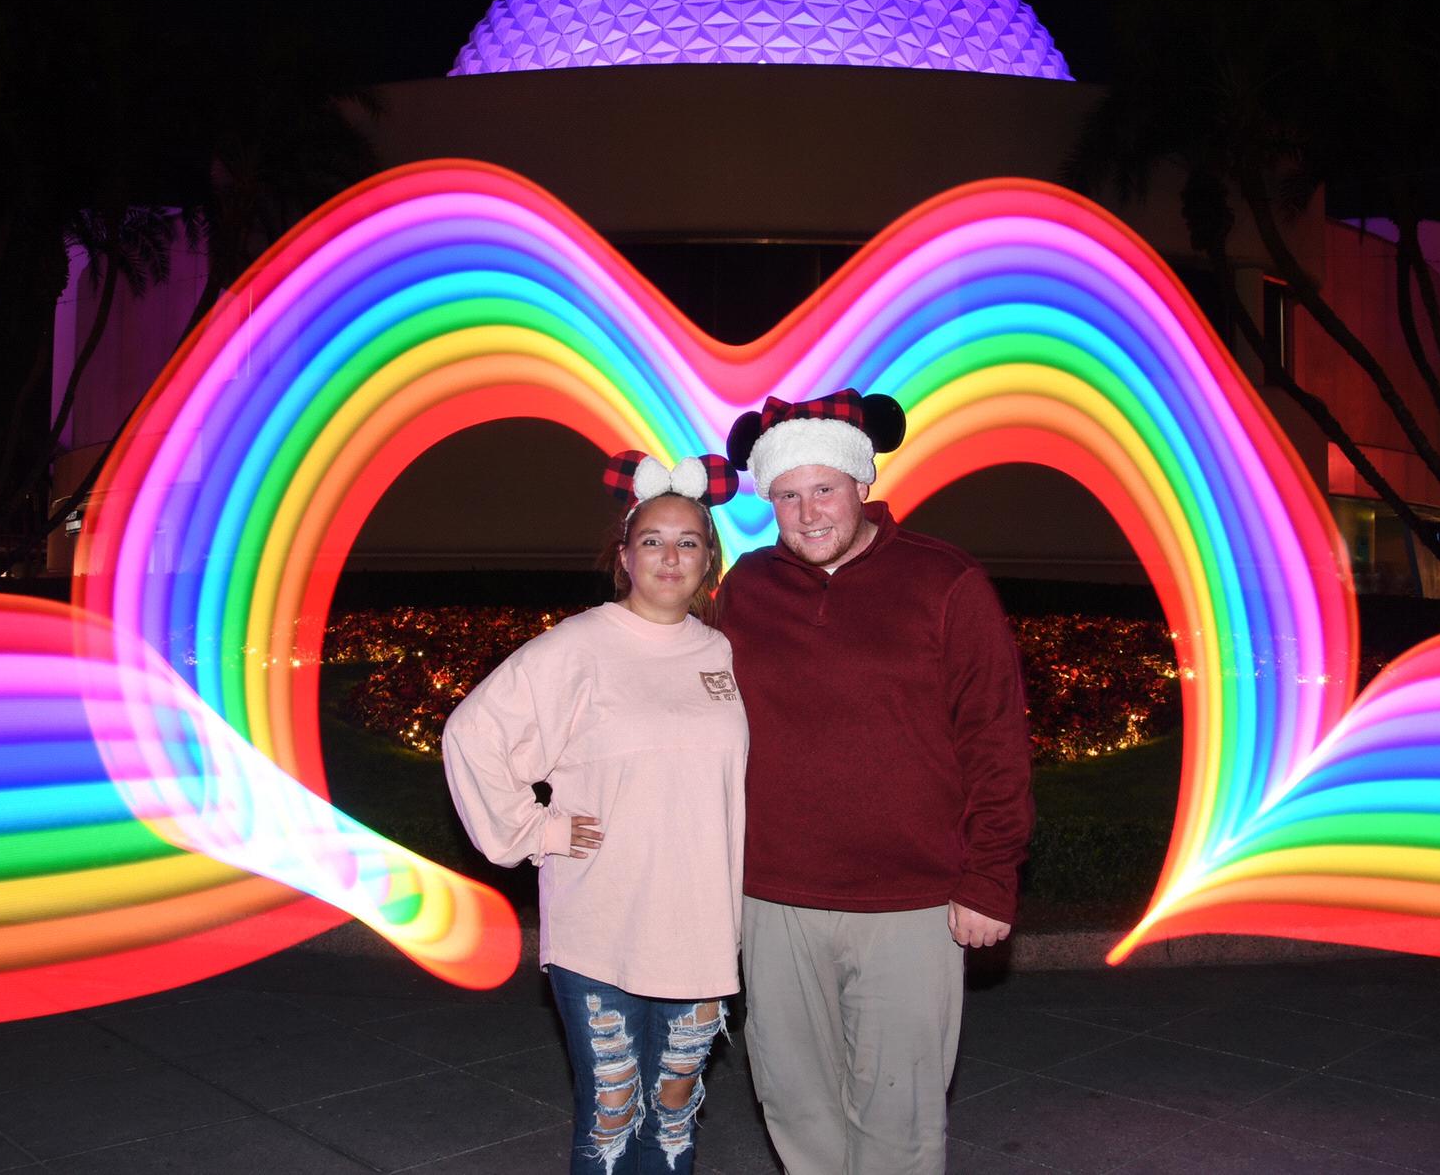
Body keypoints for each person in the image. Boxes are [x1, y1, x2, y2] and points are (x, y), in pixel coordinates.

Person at [713, 388, 1034, 1175]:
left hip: (913, 901)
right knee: (792, 1099)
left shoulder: (946, 583)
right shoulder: (746, 591)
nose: (808, 511)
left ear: (862, 486)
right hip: (772, 896)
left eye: (824, 489)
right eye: (787, 495)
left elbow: (995, 737)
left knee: (899, 1108)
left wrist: (990, 875)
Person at [442, 451, 748, 1175]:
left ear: (710, 560)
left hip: (701, 929)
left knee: (674, 1118)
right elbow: (474, 734)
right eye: (652, 540)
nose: (670, 556)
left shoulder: (726, 655)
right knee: (612, 1115)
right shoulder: (579, 646)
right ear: (624, 556)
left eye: (688, 542)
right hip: (600, 924)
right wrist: (534, 830)